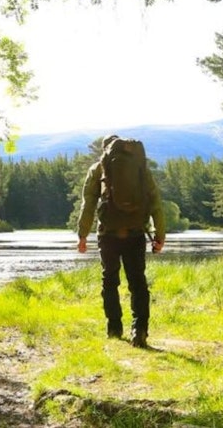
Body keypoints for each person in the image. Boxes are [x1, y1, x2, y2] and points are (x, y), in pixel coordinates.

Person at [75, 135, 166, 348]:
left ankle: (114, 328)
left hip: (108, 234)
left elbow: (88, 205)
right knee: (138, 282)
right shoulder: (140, 168)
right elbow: (156, 203)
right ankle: (140, 329)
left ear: (104, 150)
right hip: (135, 233)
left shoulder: (98, 169)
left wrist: (82, 235)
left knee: (110, 281)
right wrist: (160, 236)